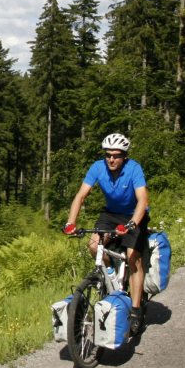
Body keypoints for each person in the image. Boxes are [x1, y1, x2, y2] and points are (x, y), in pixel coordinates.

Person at [62, 132, 150, 334]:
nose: (111, 159)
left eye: (116, 155)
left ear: (124, 157)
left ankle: (136, 310)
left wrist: (131, 224)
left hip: (134, 215)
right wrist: (71, 223)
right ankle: (112, 276)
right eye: (108, 155)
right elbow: (81, 196)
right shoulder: (97, 167)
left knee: (133, 257)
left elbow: (143, 200)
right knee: (94, 246)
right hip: (110, 214)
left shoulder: (134, 168)